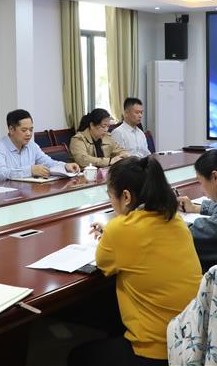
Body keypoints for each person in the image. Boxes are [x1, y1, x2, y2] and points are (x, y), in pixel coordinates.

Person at [69, 157, 200, 366]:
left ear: (126, 196)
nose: (111, 202)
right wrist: (113, 233)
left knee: (78, 356)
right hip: (191, 341)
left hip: (156, 351)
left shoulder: (121, 229)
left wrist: (113, 232)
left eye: (110, 196)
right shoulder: (174, 219)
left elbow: (103, 264)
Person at [0, 109, 80, 182]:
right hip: (1, 195)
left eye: (31, 130)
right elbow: (1, 174)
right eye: (24, 130)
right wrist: (30, 171)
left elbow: (48, 162)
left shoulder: (32, 146)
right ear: (11, 129)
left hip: (24, 191)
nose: (29, 134)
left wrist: (65, 166)